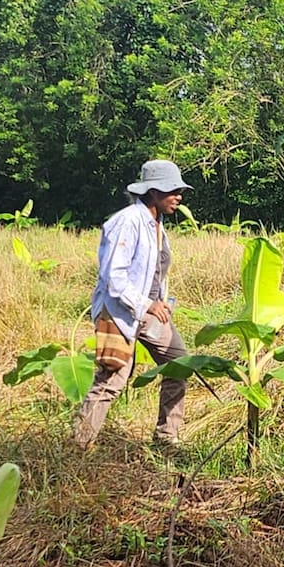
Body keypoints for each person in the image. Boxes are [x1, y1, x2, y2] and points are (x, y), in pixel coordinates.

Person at [74, 159, 192, 450]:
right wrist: (147, 305)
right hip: (120, 313)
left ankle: (166, 438)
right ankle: (78, 445)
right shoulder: (126, 222)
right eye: (171, 190)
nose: (178, 196)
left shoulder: (157, 225)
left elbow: (154, 271)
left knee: (180, 365)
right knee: (111, 380)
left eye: (179, 190)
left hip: (151, 312)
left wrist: (162, 302)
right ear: (152, 192)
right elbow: (114, 277)